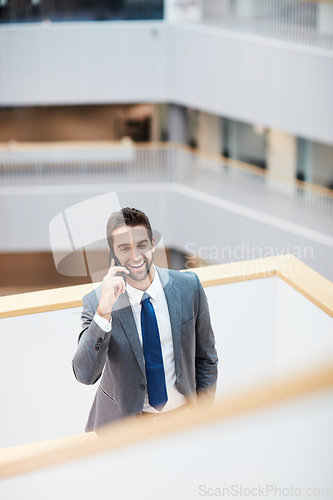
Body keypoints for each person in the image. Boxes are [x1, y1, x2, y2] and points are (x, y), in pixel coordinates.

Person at [72, 207, 218, 431]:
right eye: (125, 248)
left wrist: (203, 415)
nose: (136, 256)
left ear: (152, 243)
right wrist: (104, 312)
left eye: (141, 245)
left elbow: (206, 358)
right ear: (112, 254)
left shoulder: (189, 287)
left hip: (184, 422)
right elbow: (85, 375)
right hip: (125, 429)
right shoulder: (97, 303)